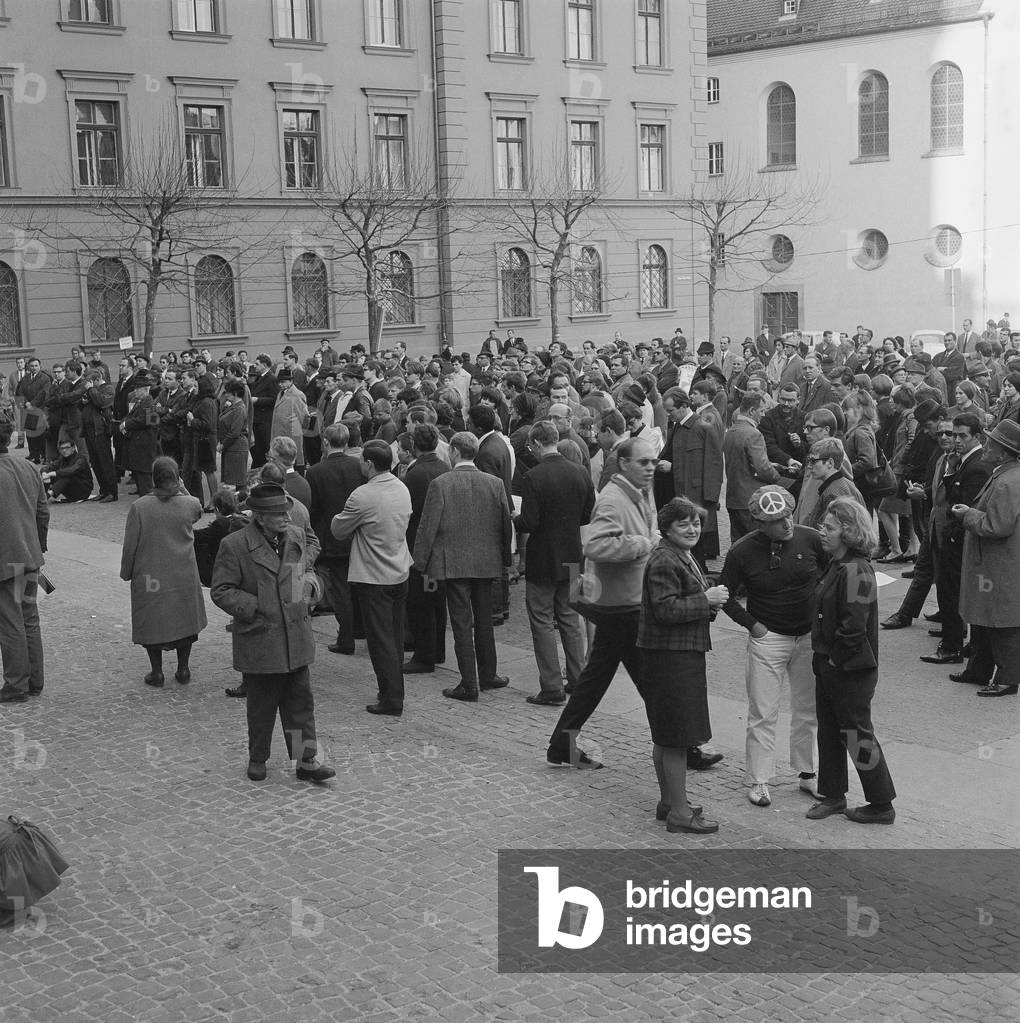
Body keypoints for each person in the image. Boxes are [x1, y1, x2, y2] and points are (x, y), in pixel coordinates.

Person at [211, 483, 334, 783]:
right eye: (278, 514)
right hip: (261, 636)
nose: (285, 518)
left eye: (285, 512)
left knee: (300, 703)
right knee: (262, 705)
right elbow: (221, 590)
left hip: (295, 634)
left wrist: (309, 588)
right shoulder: (235, 545)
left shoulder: (293, 536)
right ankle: (258, 758)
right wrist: (255, 606)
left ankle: (306, 761)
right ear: (260, 517)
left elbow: (304, 570)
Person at [719, 485, 825, 808]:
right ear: (760, 524)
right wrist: (753, 626)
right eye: (777, 520)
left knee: (807, 711)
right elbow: (724, 594)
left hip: (807, 637)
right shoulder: (741, 551)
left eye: (788, 515)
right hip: (769, 639)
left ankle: (807, 773)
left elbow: (830, 574)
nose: (787, 524)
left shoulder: (810, 539)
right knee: (763, 712)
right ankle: (759, 779)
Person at [638, 498, 729, 834]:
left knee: (666, 736)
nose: (692, 529)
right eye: (684, 525)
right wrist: (705, 600)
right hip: (671, 657)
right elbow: (665, 610)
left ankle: (669, 802)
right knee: (676, 737)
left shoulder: (680, 553)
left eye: (695, 523)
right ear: (667, 528)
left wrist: (709, 601)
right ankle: (678, 812)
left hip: (674, 654)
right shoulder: (664, 558)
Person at [807, 497, 896, 824]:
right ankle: (833, 795)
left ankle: (881, 803)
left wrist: (833, 662)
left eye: (829, 528)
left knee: (858, 736)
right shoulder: (837, 564)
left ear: (848, 531)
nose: (823, 532)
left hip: (849, 670)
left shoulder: (857, 570)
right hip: (830, 665)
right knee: (829, 732)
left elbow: (854, 627)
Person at [411, 431, 512, 702]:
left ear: (455, 451)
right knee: (484, 621)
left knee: (461, 623)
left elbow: (427, 526)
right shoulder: (494, 483)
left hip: (453, 562)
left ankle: (469, 683)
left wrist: (419, 562)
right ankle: (488, 674)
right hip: (486, 560)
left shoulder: (441, 484)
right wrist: (506, 560)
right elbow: (505, 523)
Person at [515, 420, 595, 705]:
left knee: (542, 621)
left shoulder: (533, 477)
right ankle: (577, 677)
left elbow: (530, 522)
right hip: (573, 557)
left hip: (543, 560)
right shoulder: (580, 473)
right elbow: (587, 515)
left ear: (537, 443)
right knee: (570, 618)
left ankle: (551, 686)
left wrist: (516, 518)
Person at [331, 440, 413, 716]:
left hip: (374, 575)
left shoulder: (362, 495)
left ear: (368, 463)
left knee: (381, 641)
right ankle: (392, 690)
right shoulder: (402, 487)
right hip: (399, 569)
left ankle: (391, 697)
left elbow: (339, 529)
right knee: (395, 635)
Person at [119, 457, 207, 688]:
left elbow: (131, 545)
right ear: (177, 477)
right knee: (185, 620)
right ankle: (183, 668)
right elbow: (197, 509)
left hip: (151, 577)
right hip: (183, 574)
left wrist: (126, 571)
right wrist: (182, 487)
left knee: (152, 620)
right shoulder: (190, 504)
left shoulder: (139, 508)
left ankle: (156, 672)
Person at [951, 419, 1020, 696]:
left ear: (1003, 451)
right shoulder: (1005, 474)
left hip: (999, 564)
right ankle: (979, 670)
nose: (986, 445)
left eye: (991, 442)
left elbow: (997, 526)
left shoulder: (1007, 481)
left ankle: (1007, 679)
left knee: (1003, 623)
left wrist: (967, 514)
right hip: (993, 564)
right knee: (985, 618)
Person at [918, 413, 990, 667]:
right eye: (953, 434)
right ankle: (958, 641)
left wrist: (951, 532)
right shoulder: (961, 461)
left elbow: (966, 506)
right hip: (952, 536)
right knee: (950, 592)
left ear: (977, 437)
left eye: (962, 436)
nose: (955, 440)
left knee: (951, 593)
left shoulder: (976, 465)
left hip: (958, 540)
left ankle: (951, 647)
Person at [0, 420, 48, 703]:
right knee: (29, 618)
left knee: (10, 621)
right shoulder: (29, 468)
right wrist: (38, 544)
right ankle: (34, 681)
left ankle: (17, 683)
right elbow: (43, 512)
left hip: (6, 559)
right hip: (28, 555)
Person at [307, 424, 365, 657]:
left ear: (325, 442)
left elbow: (313, 509)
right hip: (358, 535)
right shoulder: (357, 466)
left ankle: (346, 637)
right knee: (358, 586)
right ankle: (358, 629)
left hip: (331, 537)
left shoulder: (316, 472)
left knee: (341, 589)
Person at [401, 423, 451, 674]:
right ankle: (437, 649)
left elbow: (407, 511)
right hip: (440, 547)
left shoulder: (415, 474)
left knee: (421, 602)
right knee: (436, 601)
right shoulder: (444, 467)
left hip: (420, 547)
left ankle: (424, 655)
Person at [723, 393, 781, 542]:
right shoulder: (753, 434)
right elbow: (763, 468)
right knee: (755, 545)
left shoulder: (730, 432)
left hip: (733, 497)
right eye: (761, 411)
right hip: (751, 498)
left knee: (737, 544)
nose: (763, 415)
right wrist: (777, 477)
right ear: (751, 411)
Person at [218, 378, 249, 486]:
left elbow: (234, 432)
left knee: (235, 483)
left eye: (228, 392)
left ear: (235, 393)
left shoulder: (239, 409)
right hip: (232, 448)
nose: (226, 394)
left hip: (236, 449)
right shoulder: (233, 406)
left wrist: (223, 444)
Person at [42, 439, 93, 503]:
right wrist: (45, 473)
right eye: (62, 448)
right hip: (71, 491)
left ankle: (45, 497)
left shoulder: (81, 459)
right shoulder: (62, 459)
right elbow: (49, 467)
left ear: (73, 448)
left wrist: (54, 473)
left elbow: (72, 470)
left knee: (66, 476)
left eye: (67, 448)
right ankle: (41, 496)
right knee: (48, 476)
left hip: (83, 491)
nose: (64, 450)